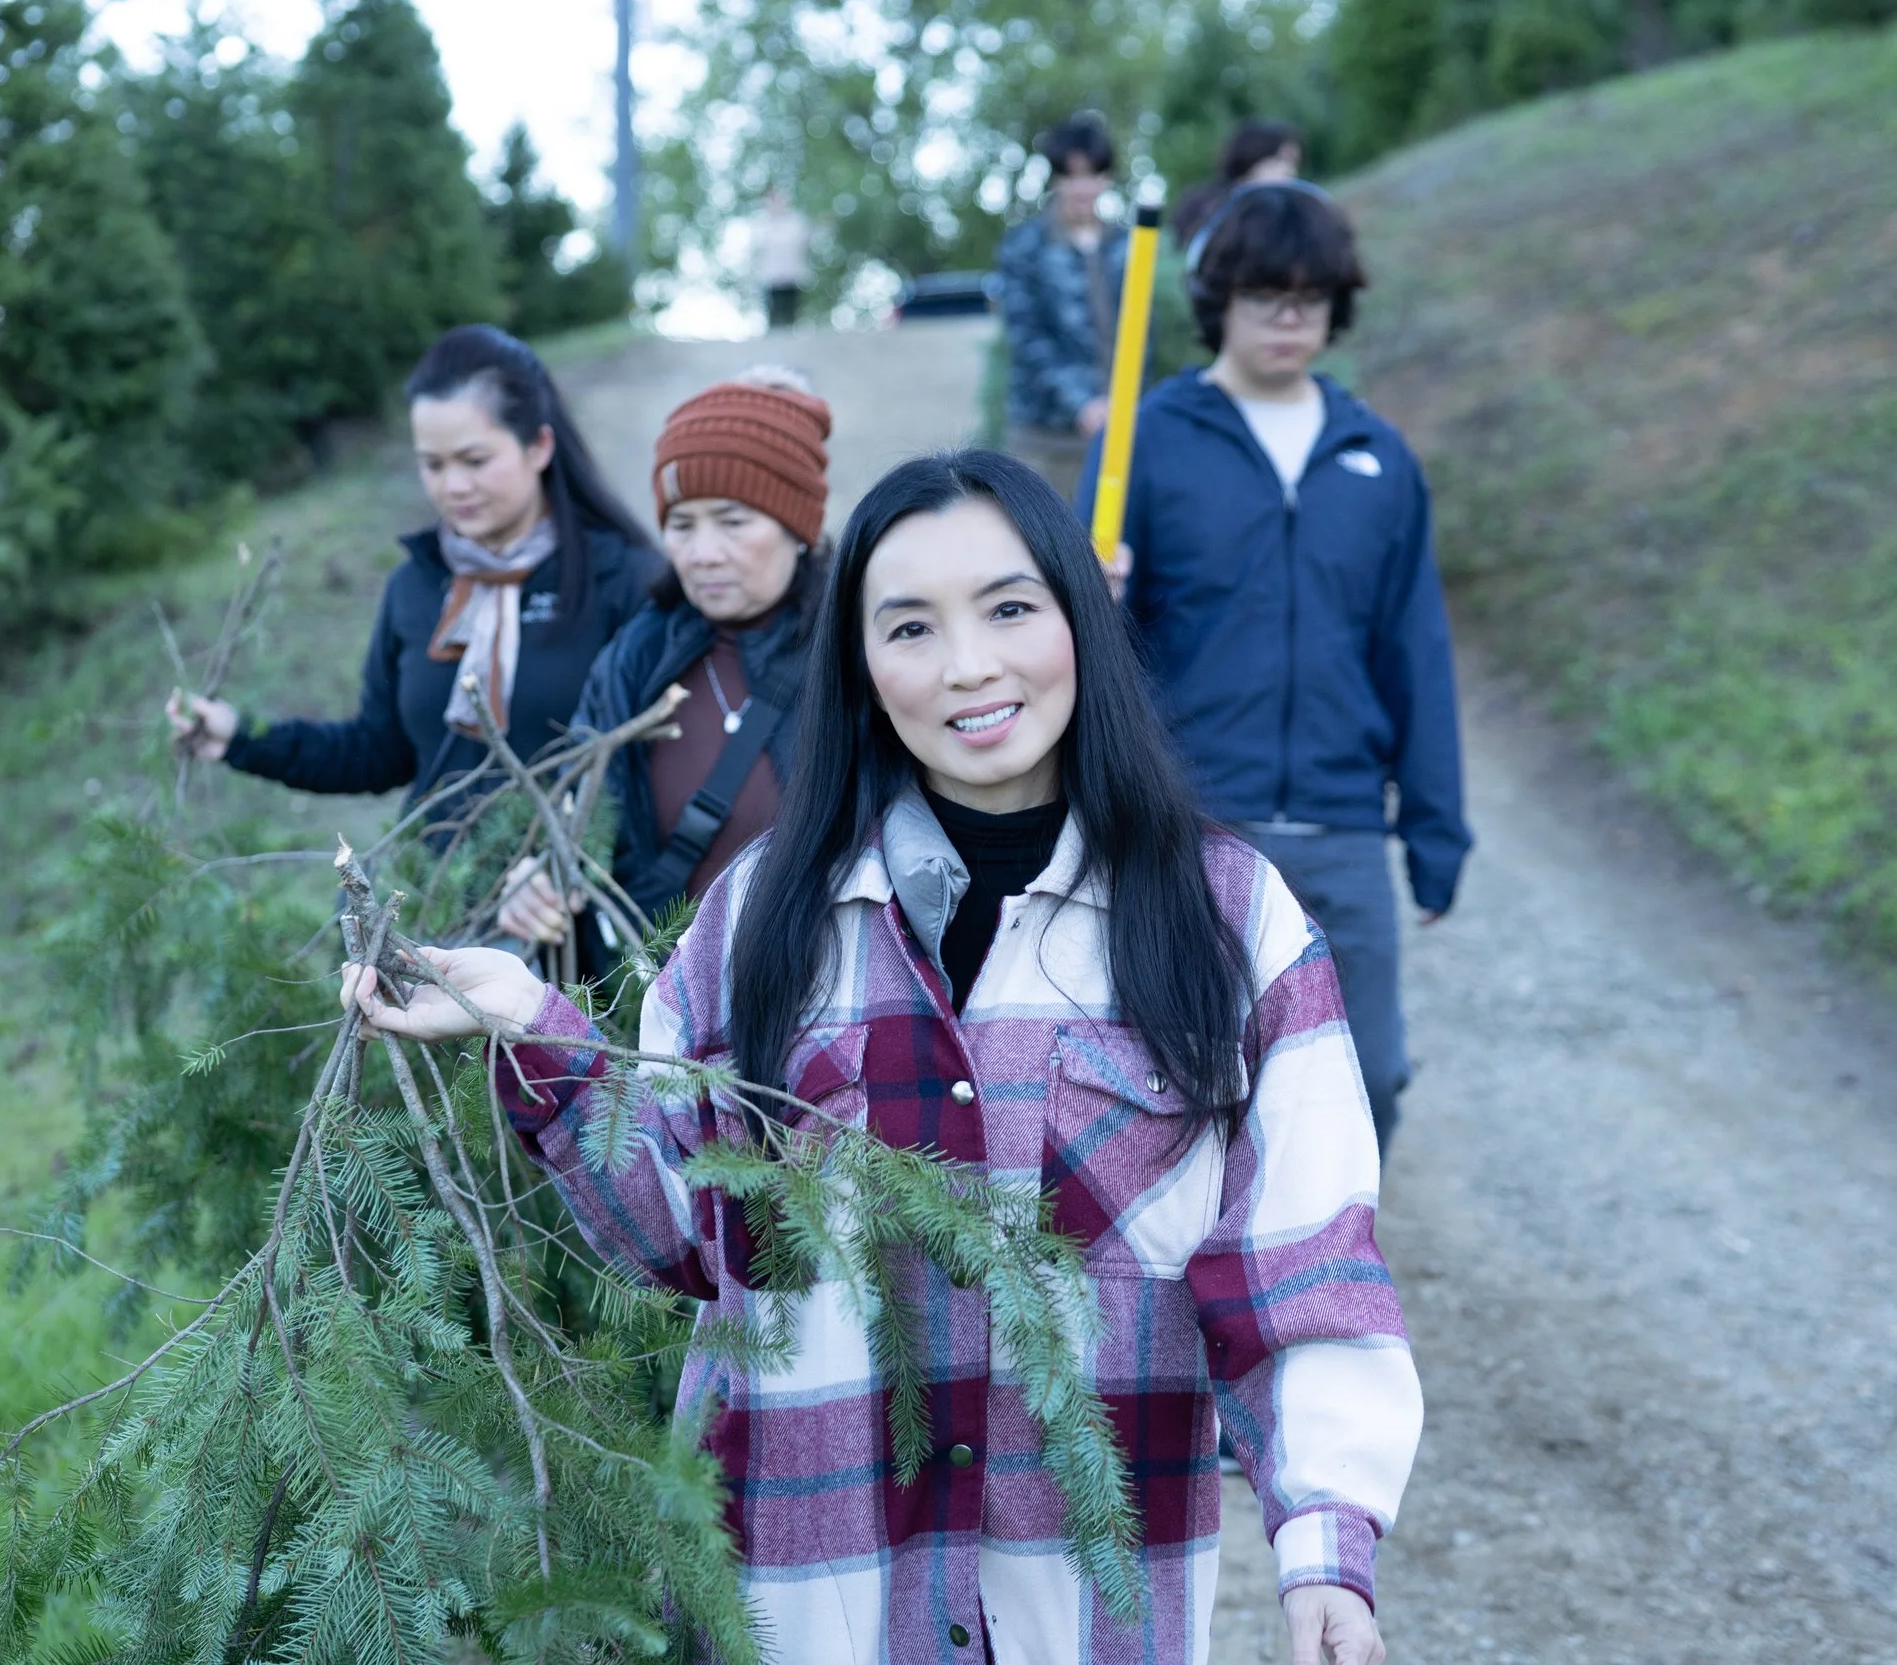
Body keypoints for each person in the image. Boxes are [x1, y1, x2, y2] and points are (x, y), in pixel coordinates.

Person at [351, 450, 1420, 1665]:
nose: (968, 664)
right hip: (801, 1603)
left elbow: (1306, 1264)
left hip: (1073, 1615)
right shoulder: (759, 920)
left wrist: (1326, 1538)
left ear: (1081, 617)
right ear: (860, 663)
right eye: (910, 625)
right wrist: (533, 1028)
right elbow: (669, 1227)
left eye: (1010, 608)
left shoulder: (1228, 920)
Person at [1078, 181, 1470, 1156]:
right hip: (1194, 824)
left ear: (1336, 304)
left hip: (1341, 830)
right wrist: (1095, 600)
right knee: (1190, 1086)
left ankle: (1309, 1289)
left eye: (1309, 294)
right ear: (1222, 299)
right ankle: (1197, 1294)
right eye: (1264, 293)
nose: (1289, 315)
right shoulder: (1145, 444)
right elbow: (1078, 653)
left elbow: (1413, 648)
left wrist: (1433, 828)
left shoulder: (1376, 458)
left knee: (1364, 1081)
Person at [167, 325, 658, 824]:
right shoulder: (417, 586)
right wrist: (241, 737)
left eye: (475, 460)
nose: (454, 486)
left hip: (574, 891)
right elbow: (379, 752)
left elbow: (656, 773)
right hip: (436, 892)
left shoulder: (624, 581)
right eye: (433, 465)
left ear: (539, 447)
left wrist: (566, 875)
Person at [496, 368, 831, 946]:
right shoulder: (638, 658)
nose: (702, 553)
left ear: (796, 524)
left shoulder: (858, 652)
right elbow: (580, 821)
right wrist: (538, 877)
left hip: (837, 996)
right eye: (681, 525)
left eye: (732, 522)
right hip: (658, 1008)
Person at [995, 112, 1127, 501]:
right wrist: (1081, 403)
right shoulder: (1024, 248)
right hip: (1043, 441)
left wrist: (1127, 405)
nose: (1083, 187)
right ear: (1055, 178)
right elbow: (1027, 338)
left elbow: (1140, 336)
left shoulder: (1125, 247)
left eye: (1093, 175)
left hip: (1116, 437)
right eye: (1072, 175)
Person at [1170, 118, 1305, 252]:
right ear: (1253, 156)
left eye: (1293, 163)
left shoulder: (1291, 215)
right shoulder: (1204, 205)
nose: (1290, 171)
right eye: (1280, 160)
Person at [750, 188, 813, 330]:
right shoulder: (761, 224)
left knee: (791, 311)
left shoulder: (796, 221)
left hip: (791, 276)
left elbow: (804, 243)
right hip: (770, 277)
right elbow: (757, 250)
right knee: (774, 313)